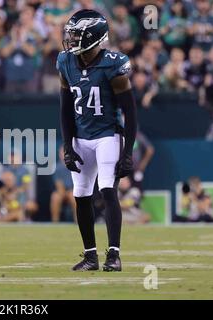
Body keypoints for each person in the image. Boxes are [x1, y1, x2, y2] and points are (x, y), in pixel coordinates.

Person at [57, 10, 137, 272]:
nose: (70, 41)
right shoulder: (65, 62)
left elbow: (130, 111)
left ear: (93, 37)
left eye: (76, 35)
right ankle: (90, 256)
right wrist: (68, 146)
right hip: (81, 137)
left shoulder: (114, 64)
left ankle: (114, 254)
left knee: (107, 190)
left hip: (107, 136)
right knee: (80, 195)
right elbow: (65, 109)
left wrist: (127, 153)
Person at [50, 145, 75, 222]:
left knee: (74, 196)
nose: (63, 154)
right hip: (62, 191)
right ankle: (55, 222)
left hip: (73, 190)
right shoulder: (57, 167)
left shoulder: (75, 165)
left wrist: (71, 192)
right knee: (55, 197)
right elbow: (58, 184)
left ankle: (79, 222)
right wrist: (63, 193)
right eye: (62, 152)